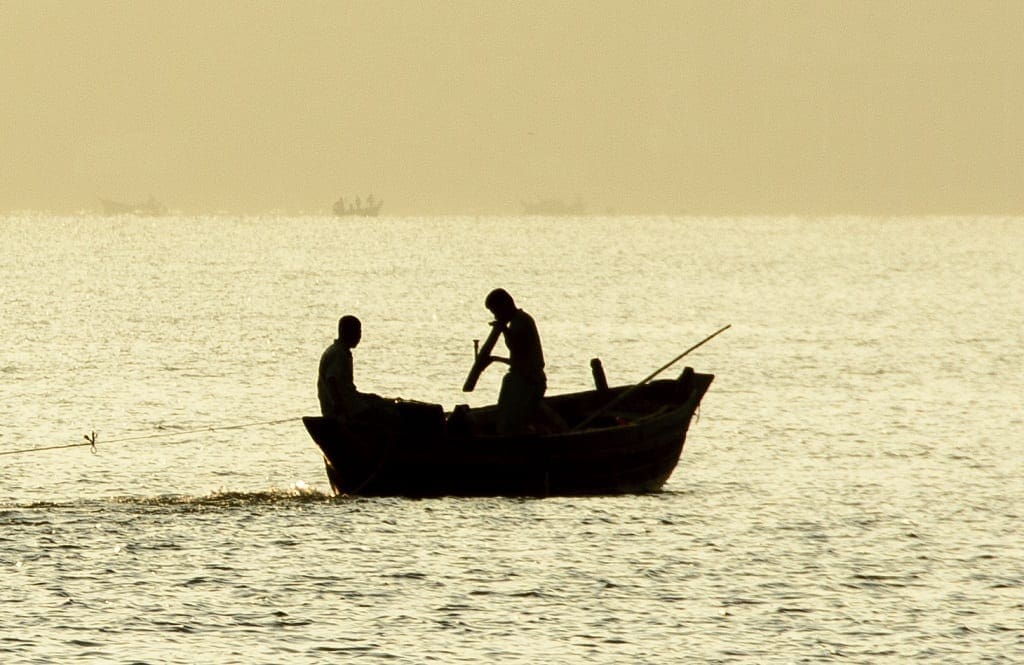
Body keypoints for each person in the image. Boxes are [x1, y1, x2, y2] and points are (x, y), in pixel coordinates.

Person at [481, 288, 547, 434]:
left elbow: (518, 349)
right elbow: (517, 357)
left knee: (516, 424)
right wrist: (494, 358)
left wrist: (503, 329)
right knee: (505, 419)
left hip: (530, 381)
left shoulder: (522, 321)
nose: (496, 315)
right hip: (520, 378)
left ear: (505, 305)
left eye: (496, 311)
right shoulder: (516, 322)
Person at [317, 314, 366, 419]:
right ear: (345, 332)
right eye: (357, 332)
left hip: (349, 402)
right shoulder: (338, 354)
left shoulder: (342, 352)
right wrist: (338, 405)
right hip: (340, 410)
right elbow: (331, 380)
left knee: (375, 399)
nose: (359, 336)